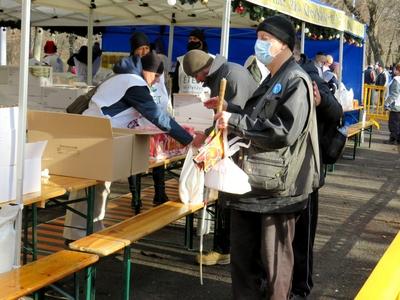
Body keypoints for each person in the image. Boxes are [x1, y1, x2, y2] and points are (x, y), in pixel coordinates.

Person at [213, 15, 320, 299]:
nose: (258, 45)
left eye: (265, 39)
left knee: (275, 269)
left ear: (284, 44)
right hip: (252, 185)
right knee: (244, 263)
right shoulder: (273, 78)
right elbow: (257, 117)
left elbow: (283, 130)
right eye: (258, 38)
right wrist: (230, 109)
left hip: (278, 190)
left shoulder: (295, 79)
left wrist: (234, 121)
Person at [63, 51, 195, 241]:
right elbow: (157, 116)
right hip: (97, 136)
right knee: (89, 188)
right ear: (148, 71)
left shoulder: (119, 77)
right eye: (156, 76)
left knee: (98, 187)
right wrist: (187, 138)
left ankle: (90, 231)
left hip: (94, 132)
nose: (156, 81)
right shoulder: (135, 84)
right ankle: (77, 235)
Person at [182, 49, 258, 266]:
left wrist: (205, 136)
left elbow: (236, 118)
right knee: (225, 198)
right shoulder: (225, 73)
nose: (197, 81)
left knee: (229, 198)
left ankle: (226, 249)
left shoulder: (231, 76)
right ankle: (225, 248)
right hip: (233, 147)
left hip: (240, 149)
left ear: (203, 70)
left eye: (195, 76)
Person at [292, 46, 343, 299]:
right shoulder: (277, 74)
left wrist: (321, 101)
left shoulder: (310, 74)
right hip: (286, 172)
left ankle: (301, 287)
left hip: (307, 172)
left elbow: (337, 111)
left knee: (302, 235)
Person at [124, 32, 172, 212]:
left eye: (146, 47)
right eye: (140, 48)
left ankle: (160, 193)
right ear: (133, 49)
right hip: (134, 121)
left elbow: (162, 89)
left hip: (155, 120)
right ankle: (135, 198)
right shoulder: (128, 68)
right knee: (134, 161)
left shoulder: (154, 63)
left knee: (158, 158)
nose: (144, 51)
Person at [172, 28, 213, 100]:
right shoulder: (181, 60)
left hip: (204, 101)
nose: (192, 41)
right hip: (184, 101)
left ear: (201, 41)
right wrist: (173, 99)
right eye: (190, 39)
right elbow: (175, 82)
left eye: (195, 39)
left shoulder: (211, 59)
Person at [384, 62, 400, 145]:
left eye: (395, 68)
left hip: (395, 105)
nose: (393, 70)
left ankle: (393, 139)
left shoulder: (396, 80)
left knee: (393, 124)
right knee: (398, 124)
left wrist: (386, 103)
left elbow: (394, 94)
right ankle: (397, 139)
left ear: (397, 70)